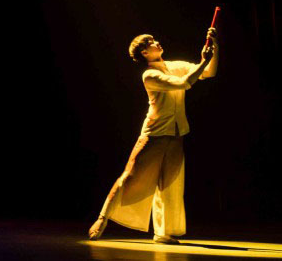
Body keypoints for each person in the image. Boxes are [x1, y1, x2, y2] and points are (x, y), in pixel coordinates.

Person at [88, 28, 218, 244]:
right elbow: (184, 83)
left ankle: (162, 232)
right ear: (145, 53)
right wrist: (204, 61)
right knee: (129, 176)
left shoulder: (175, 66)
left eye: (154, 40)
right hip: (154, 134)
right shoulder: (149, 75)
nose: (157, 42)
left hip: (176, 132)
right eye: (151, 42)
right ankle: (103, 218)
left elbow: (208, 72)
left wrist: (213, 47)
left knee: (170, 184)